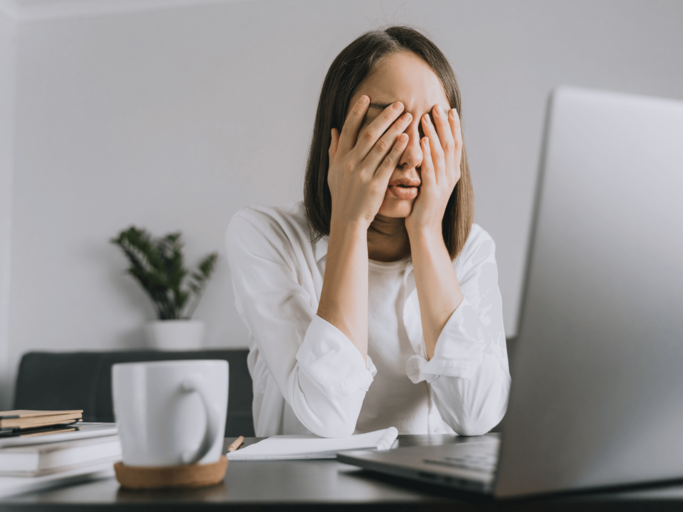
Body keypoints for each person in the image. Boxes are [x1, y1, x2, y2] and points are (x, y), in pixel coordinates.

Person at [226, 26, 510, 438]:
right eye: (388, 125)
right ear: (336, 136)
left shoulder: (472, 251)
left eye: (431, 127)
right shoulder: (264, 237)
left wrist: (428, 232)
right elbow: (328, 418)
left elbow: (477, 417)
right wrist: (349, 221)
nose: (412, 154)